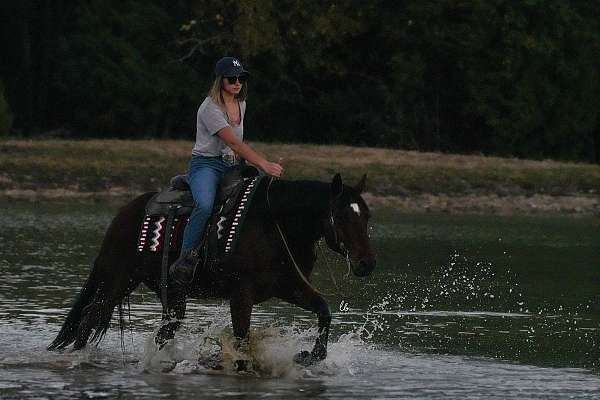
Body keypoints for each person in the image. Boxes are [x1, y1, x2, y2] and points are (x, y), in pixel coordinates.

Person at [169, 56, 283, 287]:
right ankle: (184, 259)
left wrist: (251, 168)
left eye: (241, 78)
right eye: (232, 78)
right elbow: (234, 142)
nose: (237, 82)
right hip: (206, 164)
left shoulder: (241, 104)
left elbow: (237, 147)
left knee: (258, 197)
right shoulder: (209, 108)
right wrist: (264, 164)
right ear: (221, 80)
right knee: (204, 205)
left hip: (232, 165)